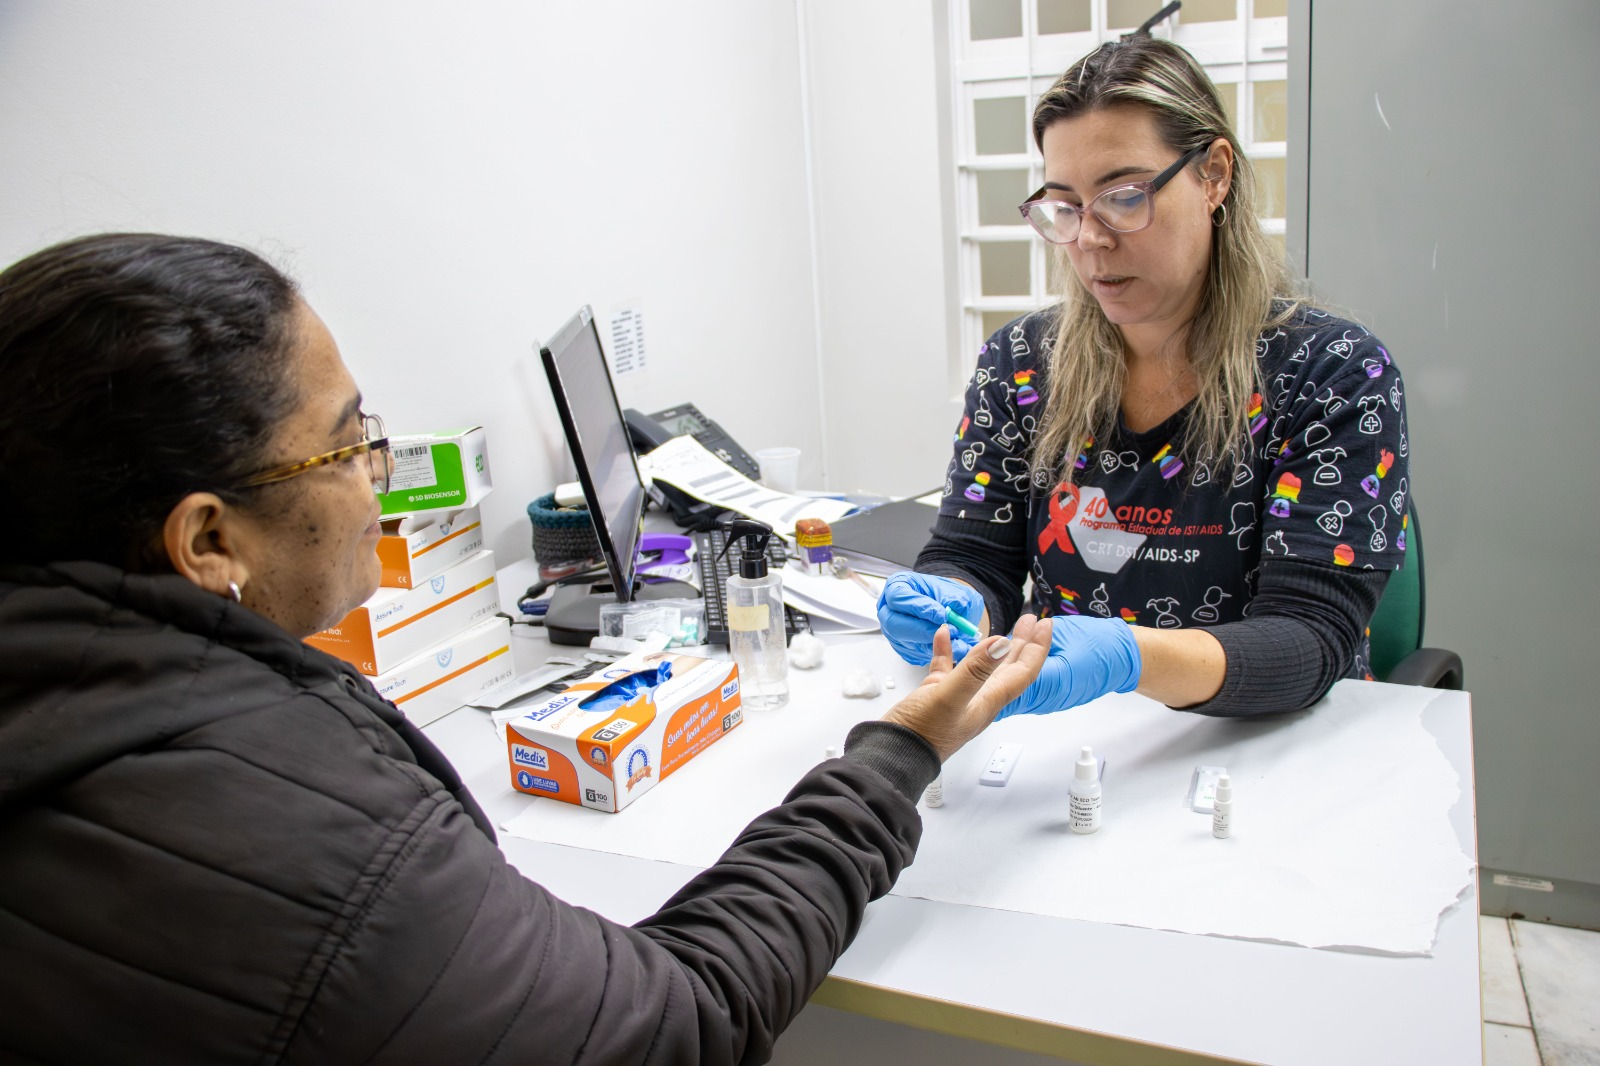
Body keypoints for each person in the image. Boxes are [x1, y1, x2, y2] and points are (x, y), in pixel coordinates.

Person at [0, 233, 1054, 1064]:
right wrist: (894, 754)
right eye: (349, 438)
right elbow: (676, 1022)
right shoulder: (312, 857)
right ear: (208, 538)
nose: (378, 475)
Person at [879, 35, 1410, 718]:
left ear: (1213, 175)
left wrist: (1130, 660)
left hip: (1265, 742)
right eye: (1065, 207)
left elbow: (1311, 638)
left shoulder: (1331, 372)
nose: (1090, 240)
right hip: (1072, 735)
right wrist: (951, 594)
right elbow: (976, 555)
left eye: (1124, 198)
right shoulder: (1020, 365)